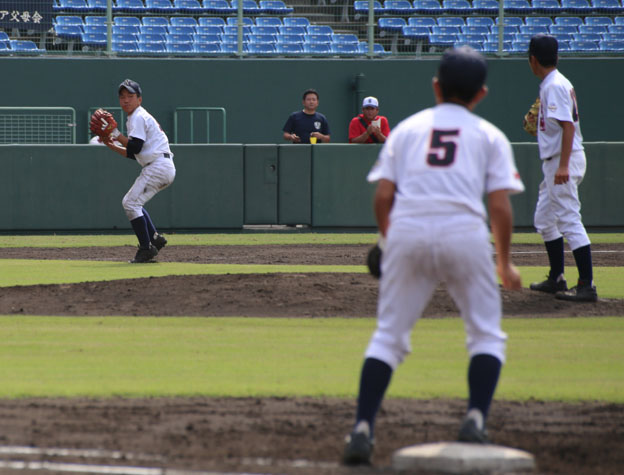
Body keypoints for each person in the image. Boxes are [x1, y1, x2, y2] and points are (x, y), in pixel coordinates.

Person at [342, 46, 525, 466]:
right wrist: (505, 262)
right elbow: (499, 205)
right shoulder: (489, 134)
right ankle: (475, 418)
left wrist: (391, 242)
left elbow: (383, 197)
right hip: (465, 233)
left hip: (408, 230)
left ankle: (362, 428)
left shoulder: (406, 130)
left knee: (388, 337)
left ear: (436, 86)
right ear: (481, 94)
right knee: (486, 335)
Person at [527, 34, 597, 302]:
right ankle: (557, 277)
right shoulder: (553, 83)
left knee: (568, 218)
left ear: (533, 60)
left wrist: (564, 165)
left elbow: (568, 126)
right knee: (544, 220)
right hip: (557, 160)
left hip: (562, 160)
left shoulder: (554, 85)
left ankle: (586, 284)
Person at [101, 79, 176, 264]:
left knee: (130, 203)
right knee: (135, 203)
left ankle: (146, 248)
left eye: (130, 96)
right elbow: (135, 153)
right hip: (161, 165)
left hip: (158, 166)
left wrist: (117, 135)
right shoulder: (137, 117)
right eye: (122, 97)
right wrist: (113, 145)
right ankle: (154, 238)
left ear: (139, 99)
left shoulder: (138, 117)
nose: (126, 100)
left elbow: (135, 147)